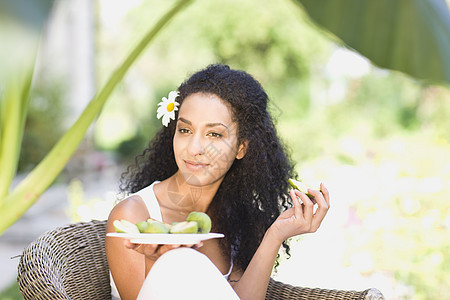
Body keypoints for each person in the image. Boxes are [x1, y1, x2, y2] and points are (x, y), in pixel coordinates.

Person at [105, 64, 330, 300]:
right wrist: (156, 260)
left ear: (241, 147)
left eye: (214, 134)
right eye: (185, 130)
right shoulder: (134, 216)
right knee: (179, 259)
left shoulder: (235, 220)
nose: (194, 148)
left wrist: (274, 235)